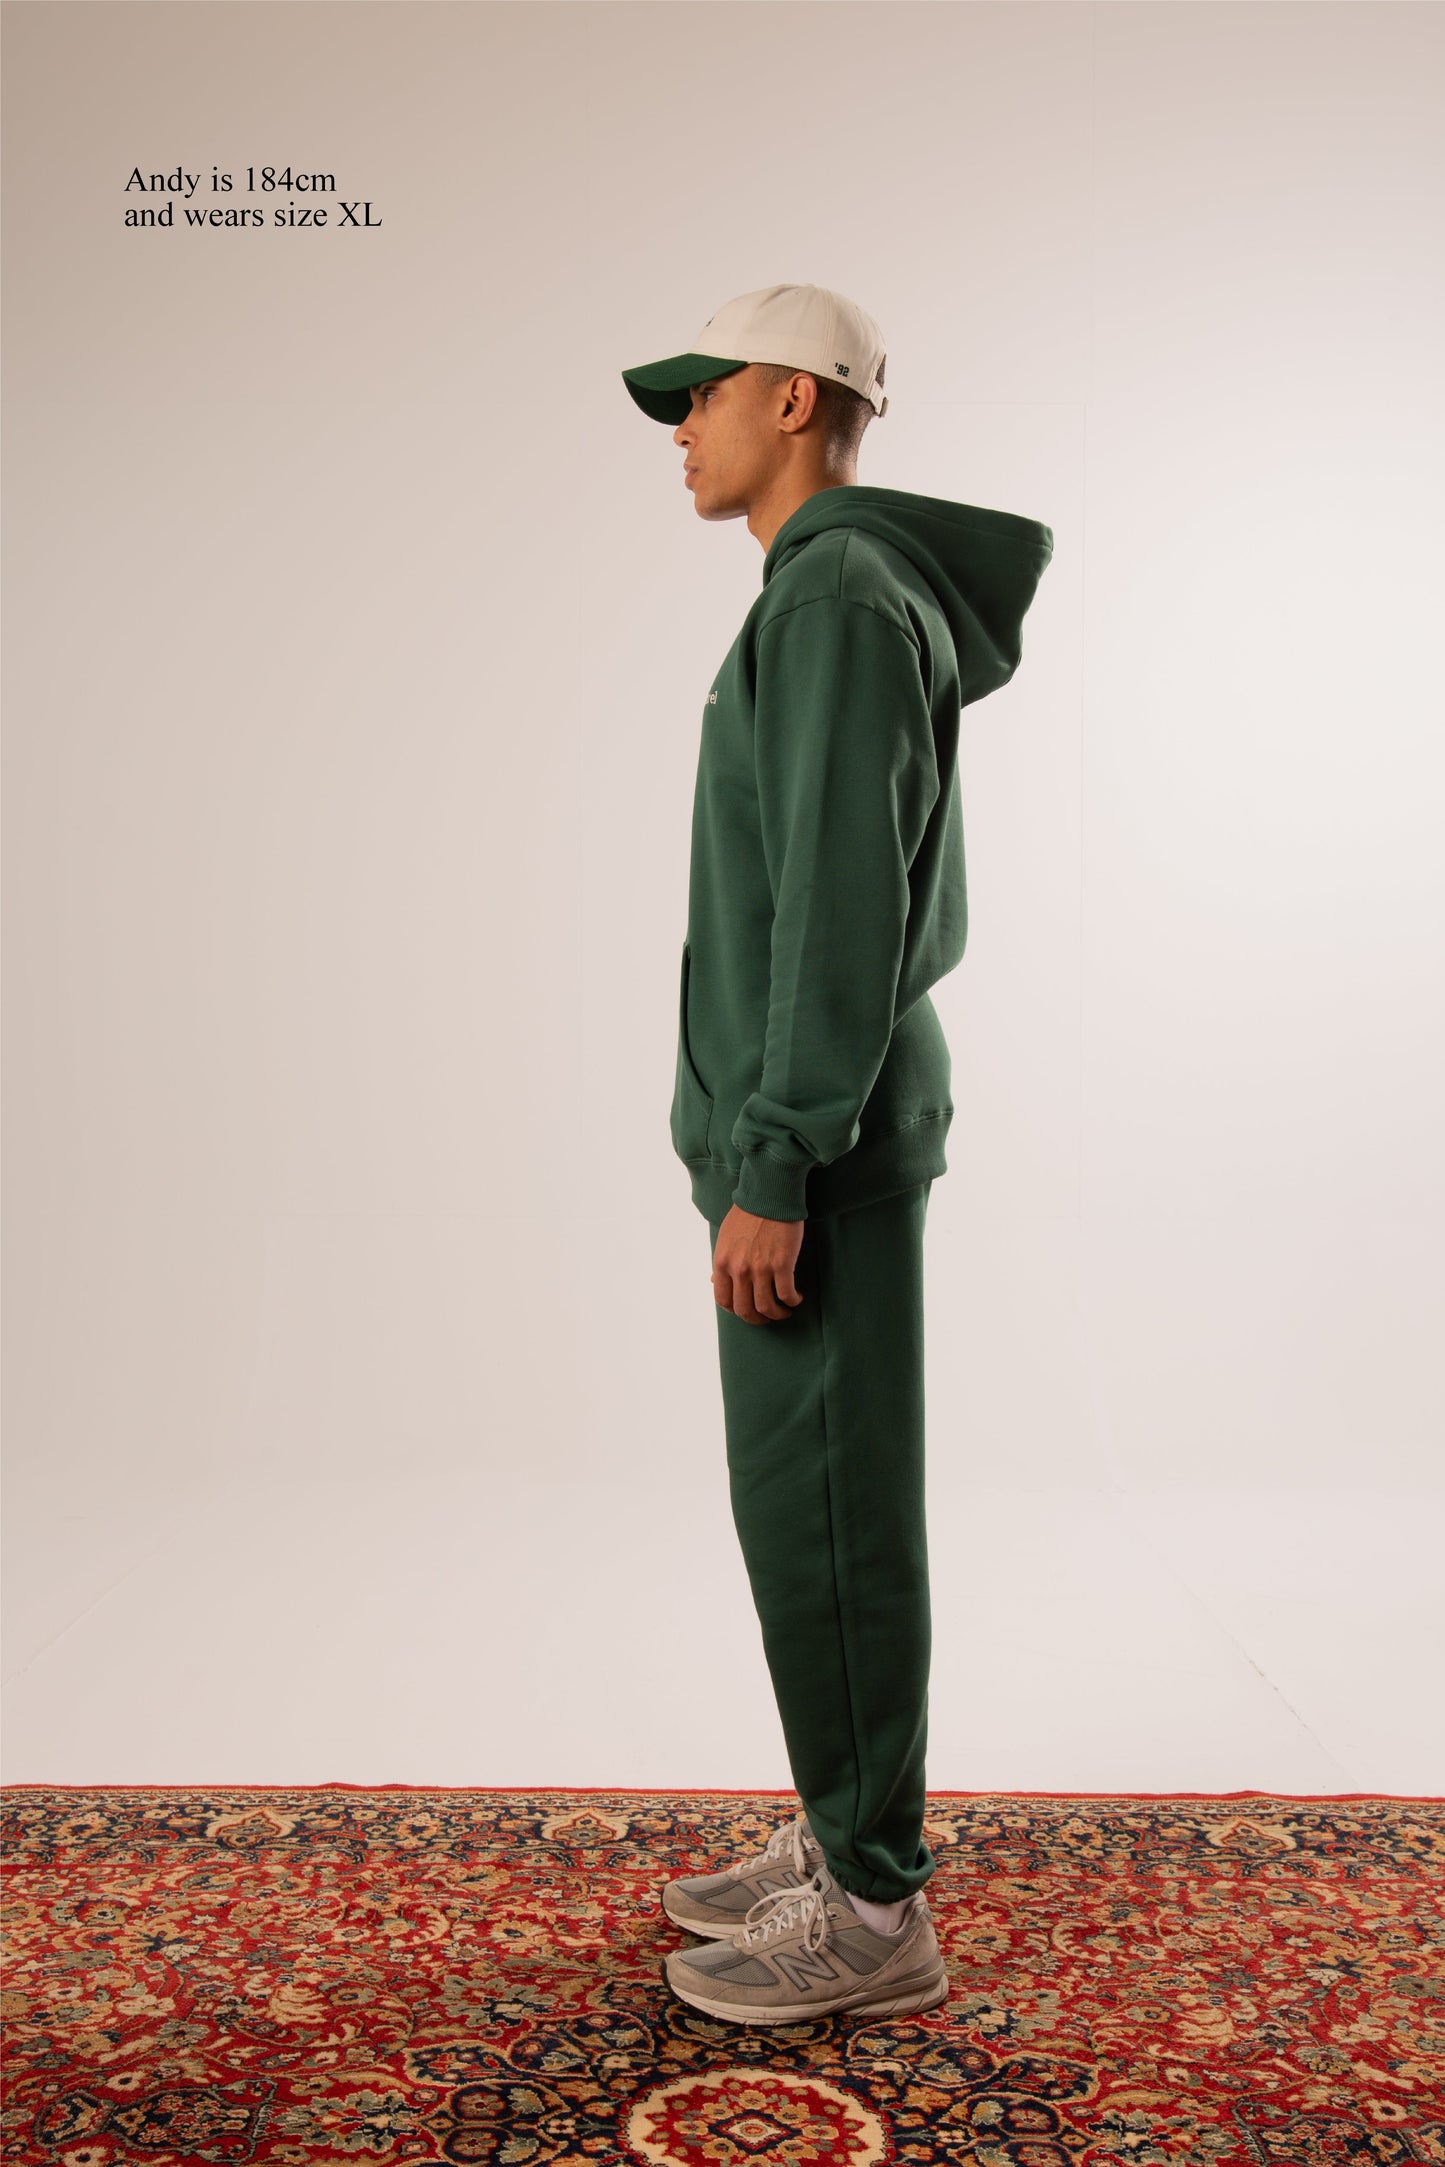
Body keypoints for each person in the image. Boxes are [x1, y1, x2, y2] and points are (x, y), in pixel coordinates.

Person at [621, 283, 1053, 2026]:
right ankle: (840, 1824)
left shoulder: (837, 598)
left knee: (827, 1515)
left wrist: (777, 1158)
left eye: (703, 395)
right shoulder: (830, 592)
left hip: (822, 1139)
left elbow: (837, 901)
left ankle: (875, 1910)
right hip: (813, 1125)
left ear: (793, 399)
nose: (682, 429)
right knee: (805, 1503)